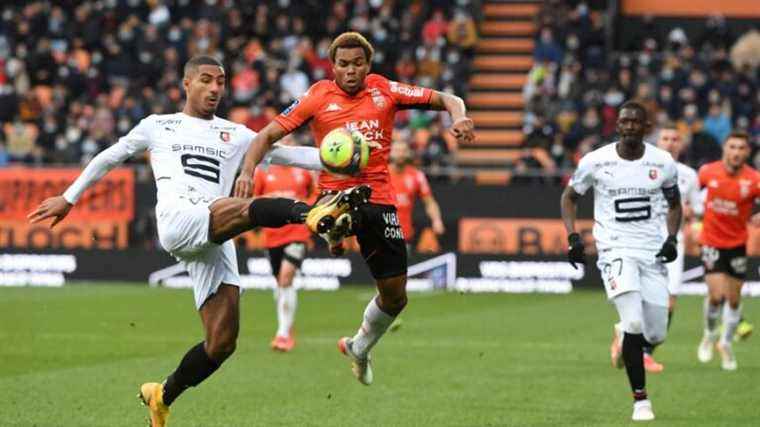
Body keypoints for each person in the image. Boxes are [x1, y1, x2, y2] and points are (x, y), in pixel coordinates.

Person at [26, 55, 350, 427]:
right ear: (187, 83)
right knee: (246, 208)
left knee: (221, 344)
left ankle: (162, 395)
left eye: (221, 82)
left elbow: (290, 156)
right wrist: (69, 197)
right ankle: (312, 215)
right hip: (180, 219)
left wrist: (340, 160)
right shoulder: (159, 126)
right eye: (206, 80)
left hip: (215, 233)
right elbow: (111, 156)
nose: (215, 88)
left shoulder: (239, 135)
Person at [233, 32, 474, 385]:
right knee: (335, 208)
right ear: (333, 66)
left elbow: (449, 98)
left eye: (357, 64)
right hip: (334, 193)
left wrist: (460, 117)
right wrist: (247, 171)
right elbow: (265, 136)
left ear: (368, 65)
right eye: (343, 64)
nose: (350, 70)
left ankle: (359, 346)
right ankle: (333, 224)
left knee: (395, 299)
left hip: (379, 200)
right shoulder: (317, 96)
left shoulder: (385, 90)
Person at [560, 101, 682, 421]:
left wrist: (671, 238)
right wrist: (573, 237)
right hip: (615, 250)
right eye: (624, 121)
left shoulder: (663, 163)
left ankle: (622, 334)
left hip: (651, 252)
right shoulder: (596, 161)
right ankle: (640, 401)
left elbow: (674, 204)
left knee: (655, 334)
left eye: (636, 122)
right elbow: (570, 197)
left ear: (646, 128)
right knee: (635, 324)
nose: (629, 126)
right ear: (617, 126)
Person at [609, 125, 701, 373]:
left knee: (669, 301)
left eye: (675, 139)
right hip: (641, 240)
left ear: (681, 144)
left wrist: (693, 215)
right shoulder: (639, 167)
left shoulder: (689, 175)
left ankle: (641, 346)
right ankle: (633, 341)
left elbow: (698, 208)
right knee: (639, 295)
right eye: (666, 138)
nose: (670, 143)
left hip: (672, 243)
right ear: (657, 141)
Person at [696, 131, 760, 371]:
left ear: (747, 152)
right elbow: (690, 194)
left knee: (733, 300)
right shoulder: (707, 172)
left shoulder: (753, 179)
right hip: (711, 241)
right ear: (724, 148)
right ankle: (710, 333)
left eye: (741, 148)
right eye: (732, 146)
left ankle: (725, 343)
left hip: (737, 244)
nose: (736, 152)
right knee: (715, 296)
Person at [253, 135, 317, 352]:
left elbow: (317, 193)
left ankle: (282, 334)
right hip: (272, 236)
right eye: (283, 143)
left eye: (290, 142)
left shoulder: (304, 172)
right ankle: (287, 325)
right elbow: (253, 200)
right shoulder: (263, 173)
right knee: (280, 284)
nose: (286, 146)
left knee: (285, 278)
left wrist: (306, 210)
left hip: (297, 233)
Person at [388, 139, 445, 251]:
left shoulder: (417, 176)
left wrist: (437, 220)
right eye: (397, 150)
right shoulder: (381, 174)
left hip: (404, 235)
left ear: (408, 153)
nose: (400, 154)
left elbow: (429, 202)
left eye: (403, 150)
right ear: (390, 152)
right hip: (380, 234)